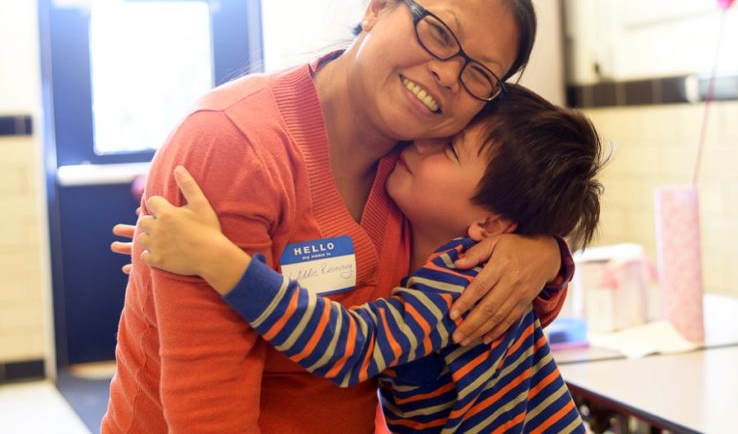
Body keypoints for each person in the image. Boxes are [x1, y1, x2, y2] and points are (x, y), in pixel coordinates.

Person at [102, 0, 574, 434]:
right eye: (438, 32)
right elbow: (210, 411)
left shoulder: (418, 163)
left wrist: (542, 253)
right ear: (378, 6)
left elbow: (499, 314)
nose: (449, 74)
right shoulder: (235, 144)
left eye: (480, 73)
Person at [134, 84, 603, 433]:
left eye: (450, 148)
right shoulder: (433, 244)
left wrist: (221, 262)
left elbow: (351, 346)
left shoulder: (461, 280)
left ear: (495, 224)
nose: (422, 142)